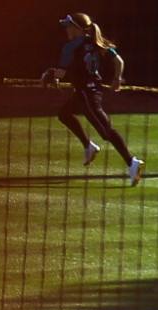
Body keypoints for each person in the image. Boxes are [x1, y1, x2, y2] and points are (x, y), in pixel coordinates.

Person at [39, 13, 143, 186]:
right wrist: (117, 79)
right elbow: (119, 61)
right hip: (91, 91)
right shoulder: (95, 41)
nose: (66, 29)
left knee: (106, 131)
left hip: (86, 95)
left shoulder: (70, 47)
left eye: (69, 26)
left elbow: (61, 73)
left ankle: (132, 162)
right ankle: (89, 146)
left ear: (77, 28)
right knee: (64, 114)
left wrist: (49, 75)